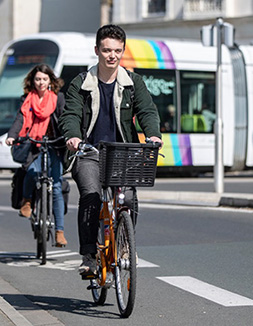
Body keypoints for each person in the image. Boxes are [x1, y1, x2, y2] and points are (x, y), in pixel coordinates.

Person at [59, 24, 163, 277]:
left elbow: (147, 110)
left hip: (122, 152)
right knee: (91, 195)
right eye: (106, 50)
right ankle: (89, 256)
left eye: (117, 51)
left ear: (123, 51)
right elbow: (70, 113)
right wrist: (72, 136)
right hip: (88, 151)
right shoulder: (81, 83)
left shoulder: (133, 82)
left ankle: (125, 245)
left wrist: (153, 134)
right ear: (97, 50)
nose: (112, 56)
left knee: (127, 198)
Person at [5, 63, 68, 247]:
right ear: (33, 81)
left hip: (54, 145)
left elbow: (64, 120)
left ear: (50, 81)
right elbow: (20, 119)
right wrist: (12, 136)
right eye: (38, 79)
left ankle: (59, 232)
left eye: (44, 79)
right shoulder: (27, 99)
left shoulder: (58, 99)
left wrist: (69, 137)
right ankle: (27, 201)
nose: (41, 82)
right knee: (31, 172)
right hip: (33, 144)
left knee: (56, 186)